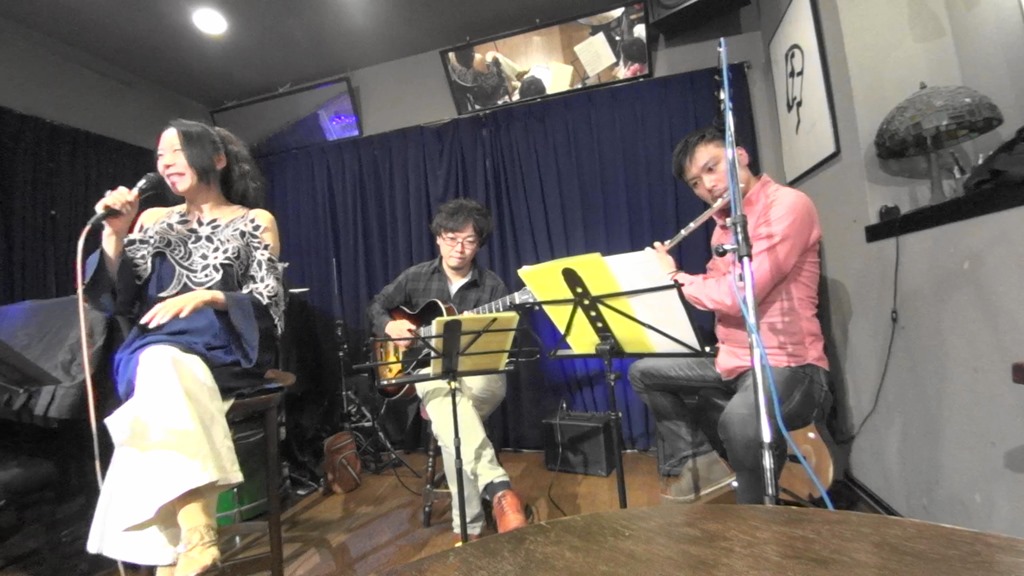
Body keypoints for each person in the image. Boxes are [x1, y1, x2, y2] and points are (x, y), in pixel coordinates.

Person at [84, 119, 286, 575]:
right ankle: (198, 535)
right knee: (162, 364)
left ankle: (174, 556)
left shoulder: (254, 221)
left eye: (176, 151)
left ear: (217, 159)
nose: (166, 162)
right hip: (155, 344)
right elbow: (116, 299)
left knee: (159, 385)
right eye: (160, 155)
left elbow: (269, 301)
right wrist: (114, 234)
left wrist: (210, 296)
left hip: (223, 347)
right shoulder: (153, 220)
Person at [629, 125, 831, 505]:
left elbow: (740, 296)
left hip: (789, 365)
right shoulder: (722, 229)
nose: (708, 186)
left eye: (712, 168)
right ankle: (701, 465)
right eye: (695, 183)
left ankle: (755, 521)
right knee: (644, 373)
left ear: (740, 156)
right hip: (734, 362)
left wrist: (674, 276)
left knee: (739, 421)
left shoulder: (787, 206)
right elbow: (716, 284)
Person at [367, 198, 527, 544]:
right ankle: (497, 491)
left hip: (479, 373)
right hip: (428, 370)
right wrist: (390, 327)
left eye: (469, 240)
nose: (459, 248)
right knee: (452, 413)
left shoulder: (493, 286)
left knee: (450, 416)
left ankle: (469, 528)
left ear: (479, 244)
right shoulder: (416, 276)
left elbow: (505, 345)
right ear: (438, 238)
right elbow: (377, 305)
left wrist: (474, 332)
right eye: (452, 238)